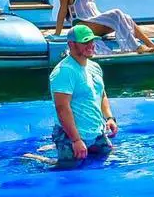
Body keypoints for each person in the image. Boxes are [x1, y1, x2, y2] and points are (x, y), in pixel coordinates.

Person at [49, 24, 118, 165]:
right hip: (70, 135)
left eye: (92, 41)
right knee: (69, 168)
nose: (91, 45)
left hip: (95, 131)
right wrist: (76, 140)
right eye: (85, 42)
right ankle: (36, 158)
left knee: (109, 157)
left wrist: (109, 117)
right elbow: (62, 108)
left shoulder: (94, 67)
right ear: (71, 44)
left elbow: (101, 94)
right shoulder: (65, 71)